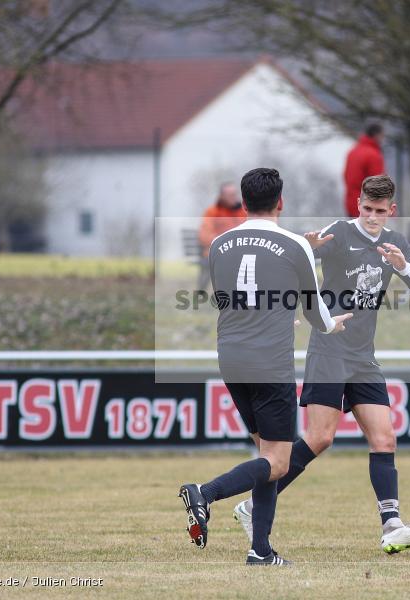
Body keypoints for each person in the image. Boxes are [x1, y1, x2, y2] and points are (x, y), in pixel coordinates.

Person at [232, 175, 410, 555]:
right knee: (320, 438)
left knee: (385, 439)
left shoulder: (396, 242)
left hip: (363, 357)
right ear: (357, 204)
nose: (372, 217)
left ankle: (392, 525)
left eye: (380, 211)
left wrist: (403, 267)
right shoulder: (341, 233)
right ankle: (251, 506)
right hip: (329, 348)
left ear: (391, 210)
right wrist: (308, 249)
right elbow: (291, 261)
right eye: (367, 208)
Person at [178, 168, 352, 566]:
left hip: (231, 358)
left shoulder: (218, 244)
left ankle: (261, 550)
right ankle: (205, 492)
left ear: (243, 203)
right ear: (281, 202)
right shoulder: (295, 245)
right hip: (269, 363)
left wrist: (275, 314)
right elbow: (315, 313)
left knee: (266, 455)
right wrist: (332, 324)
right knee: (278, 461)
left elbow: (230, 299)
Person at [197, 183, 247, 289]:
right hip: (218, 252)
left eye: (235, 194)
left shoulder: (243, 212)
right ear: (222, 196)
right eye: (230, 195)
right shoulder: (212, 212)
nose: (234, 198)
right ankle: (202, 292)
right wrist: (228, 241)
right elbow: (205, 237)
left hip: (240, 252)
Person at [343, 123, 385, 218]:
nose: (383, 139)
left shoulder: (353, 152)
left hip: (351, 204)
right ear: (376, 135)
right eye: (382, 136)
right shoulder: (373, 155)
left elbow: (346, 177)